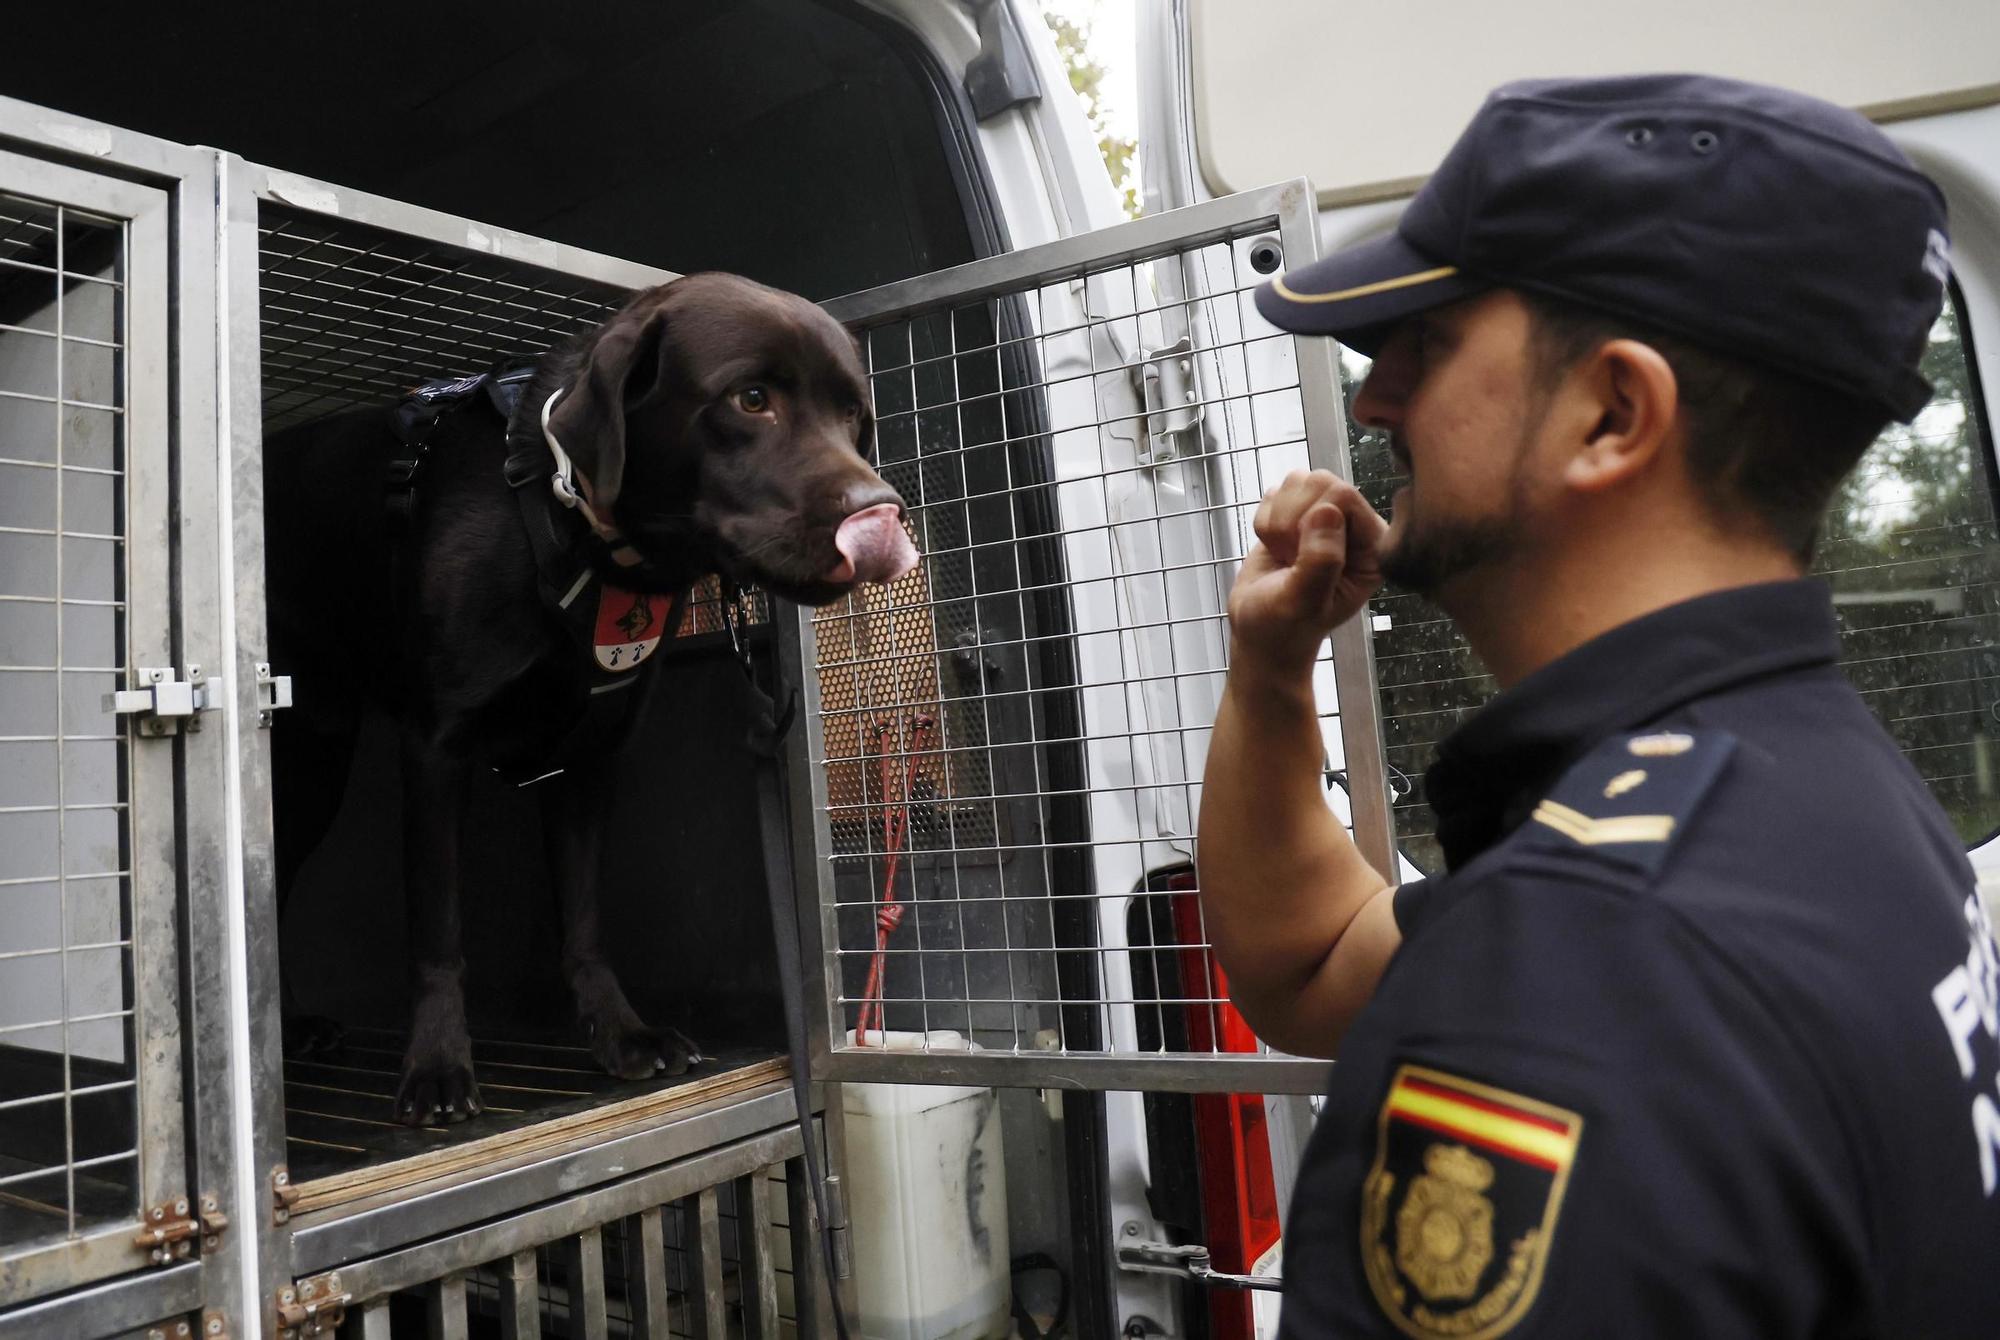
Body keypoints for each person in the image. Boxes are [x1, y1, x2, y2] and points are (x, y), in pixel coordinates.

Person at [1198, 73, 2000, 1338]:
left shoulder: (1576, 971)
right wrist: (1268, 667)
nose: (1371, 399)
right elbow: (1312, 963)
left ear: (1610, 414)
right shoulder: (1818, 789)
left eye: (1430, 339)